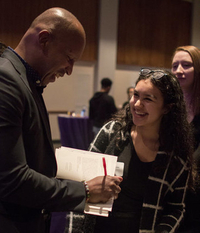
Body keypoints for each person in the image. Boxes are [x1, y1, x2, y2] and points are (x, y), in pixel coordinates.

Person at [0, 8, 122, 233]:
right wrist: (84, 190)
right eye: (69, 58)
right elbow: (11, 179)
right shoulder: (6, 80)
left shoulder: (26, 81)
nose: (69, 70)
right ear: (44, 39)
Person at [82, 68, 194, 232]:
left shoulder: (175, 156)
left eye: (148, 99)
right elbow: (81, 181)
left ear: (167, 108)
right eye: (135, 95)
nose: (137, 104)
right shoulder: (112, 131)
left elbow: (176, 208)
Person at [172, 45, 200, 233]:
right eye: (174, 66)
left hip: (196, 185)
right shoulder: (170, 103)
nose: (179, 71)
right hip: (172, 182)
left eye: (186, 65)